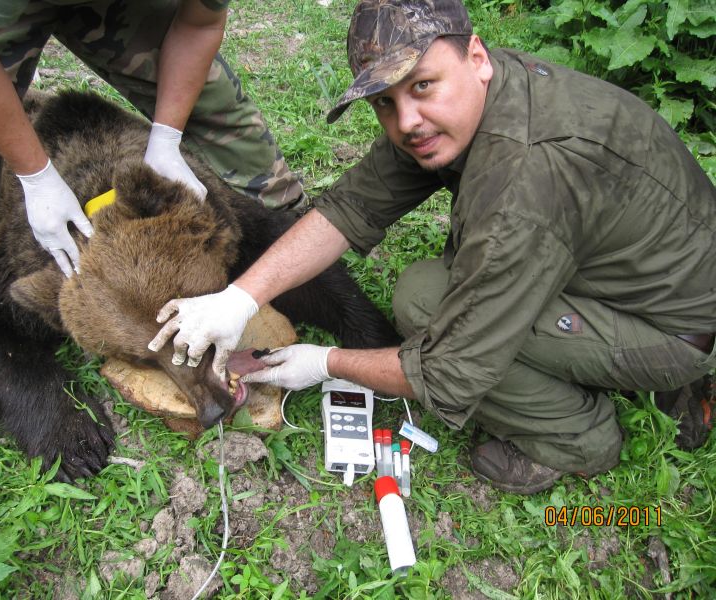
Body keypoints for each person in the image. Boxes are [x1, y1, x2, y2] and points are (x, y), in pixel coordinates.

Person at [148, 0, 716, 495]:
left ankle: (577, 437)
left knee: (426, 306)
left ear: (476, 57)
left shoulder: (524, 179)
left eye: (421, 85)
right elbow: (350, 209)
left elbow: (449, 372)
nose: (407, 121)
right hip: (638, 272)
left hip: (671, 327)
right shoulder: (482, 98)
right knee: (436, 288)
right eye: (385, 103)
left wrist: (321, 363)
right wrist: (240, 299)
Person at [0, 0, 306, 513]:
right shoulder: (35, 273)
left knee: (250, 170)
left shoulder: (187, 223)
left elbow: (201, 20)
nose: (200, 397)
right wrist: (34, 176)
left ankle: (312, 235)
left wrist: (167, 140)